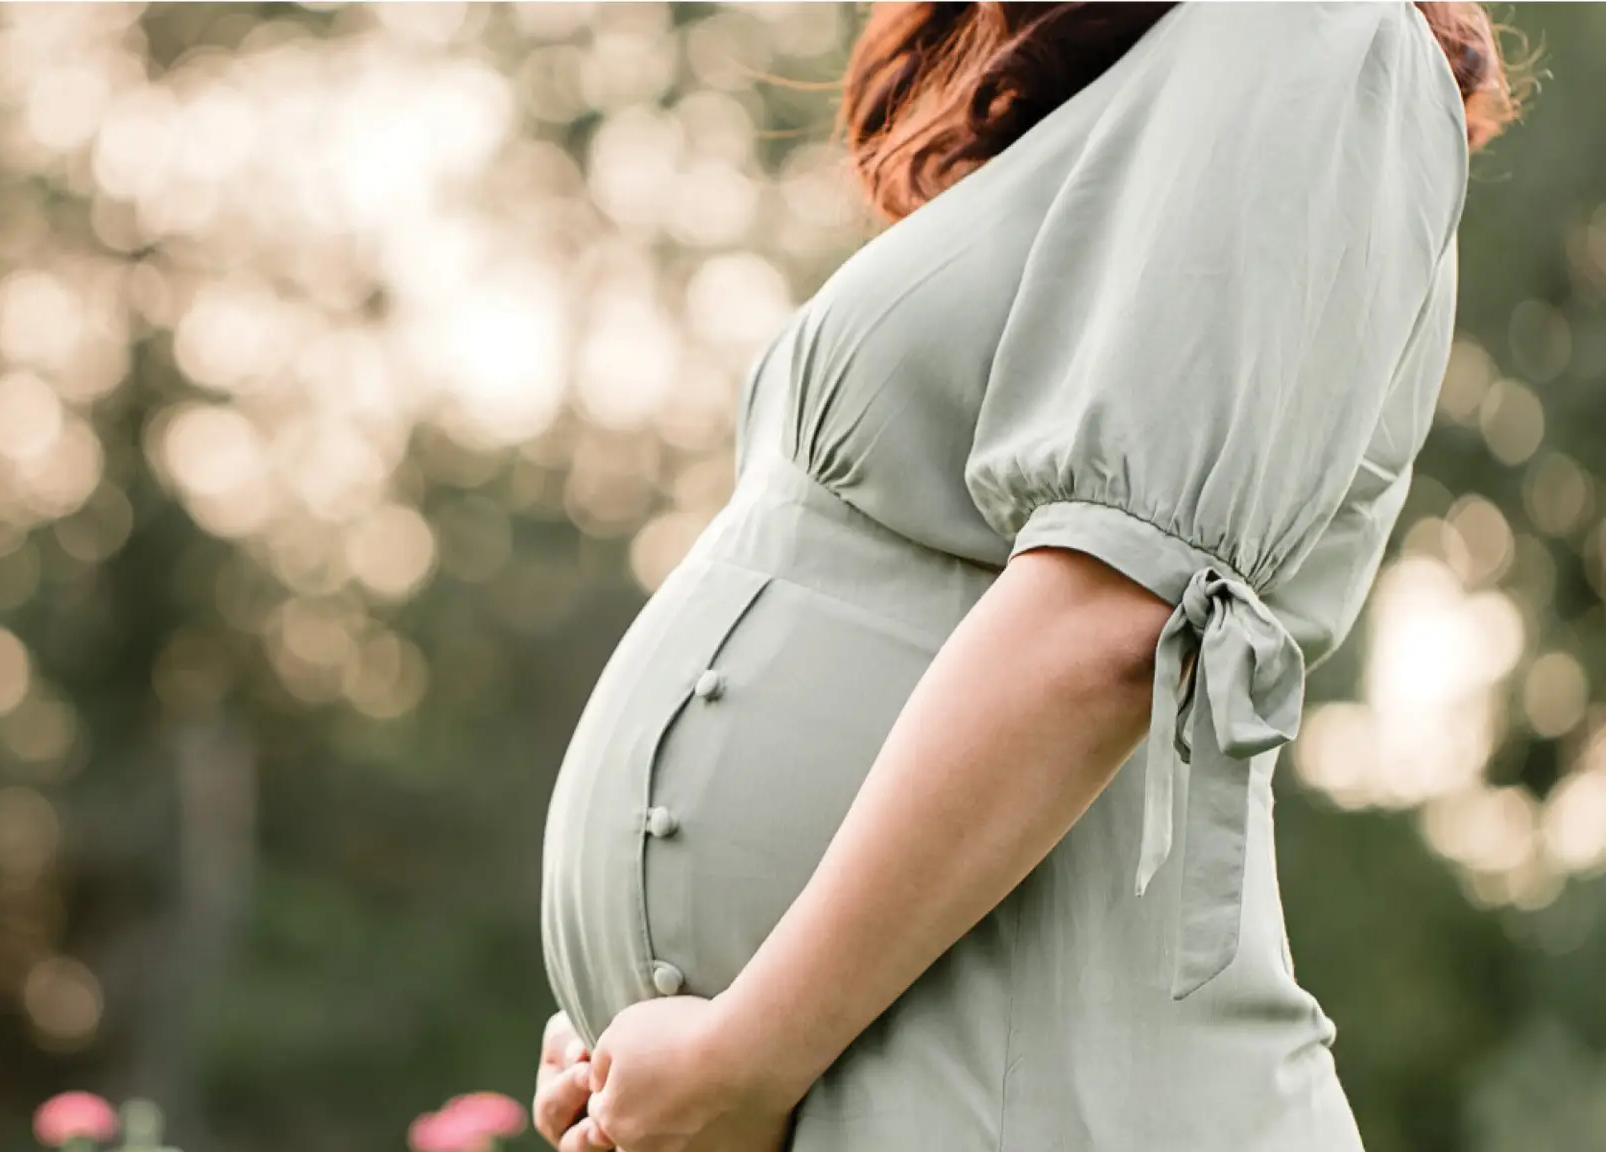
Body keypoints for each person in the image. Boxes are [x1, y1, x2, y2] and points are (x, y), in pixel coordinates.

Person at [533, 3, 1517, 1149]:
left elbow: (1111, 621)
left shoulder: (1303, 28)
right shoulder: (1127, 94)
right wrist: (637, 1050)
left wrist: (746, 1054)